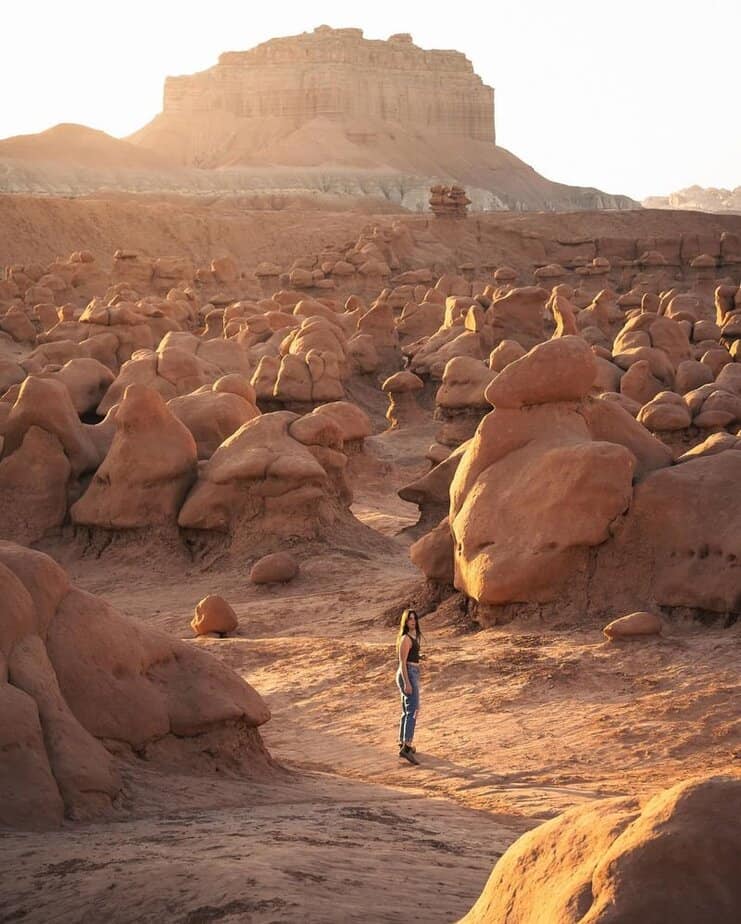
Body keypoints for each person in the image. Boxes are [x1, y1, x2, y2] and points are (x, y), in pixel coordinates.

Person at [396, 608, 422, 765]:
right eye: (410, 619)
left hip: (412, 672)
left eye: (414, 618)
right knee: (414, 710)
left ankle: (403, 742)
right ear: (405, 622)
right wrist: (407, 682)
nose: (413, 621)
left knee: (407, 710)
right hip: (408, 674)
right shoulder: (405, 638)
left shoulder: (412, 637)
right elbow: (402, 662)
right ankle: (407, 746)